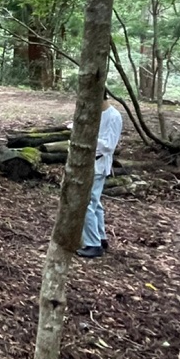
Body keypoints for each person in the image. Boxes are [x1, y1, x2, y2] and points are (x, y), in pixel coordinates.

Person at [75, 91, 123, 259]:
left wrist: (86, 136)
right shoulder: (98, 115)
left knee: (87, 203)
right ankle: (100, 238)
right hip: (90, 163)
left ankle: (93, 244)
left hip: (99, 164)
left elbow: (109, 146)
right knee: (95, 203)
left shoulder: (114, 117)